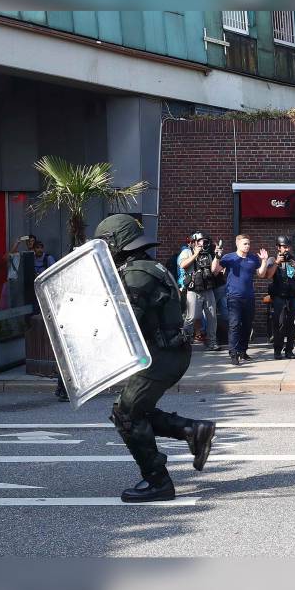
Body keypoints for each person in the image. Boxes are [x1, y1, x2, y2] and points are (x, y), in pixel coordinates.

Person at [93, 214, 215, 502]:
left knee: (126, 415)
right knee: (132, 411)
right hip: (164, 353)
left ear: (115, 242)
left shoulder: (138, 273)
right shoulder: (145, 266)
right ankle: (192, 429)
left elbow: (126, 321)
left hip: (161, 356)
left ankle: (158, 482)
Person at [212, 234, 269, 365]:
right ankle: (233, 353)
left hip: (249, 297)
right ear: (237, 244)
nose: (247, 246)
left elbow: (261, 274)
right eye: (245, 244)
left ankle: (243, 351)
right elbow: (214, 270)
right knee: (235, 324)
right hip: (234, 297)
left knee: (247, 325)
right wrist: (216, 257)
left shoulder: (253, 258)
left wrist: (264, 261)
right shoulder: (229, 258)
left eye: (248, 243)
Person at [178, 231, 221, 351]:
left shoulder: (207, 254)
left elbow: (214, 271)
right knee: (191, 316)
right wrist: (195, 254)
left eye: (205, 242)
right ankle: (184, 341)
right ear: (193, 242)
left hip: (208, 288)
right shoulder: (186, 252)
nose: (204, 244)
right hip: (193, 289)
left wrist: (217, 257)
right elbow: (182, 265)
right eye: (202, 242)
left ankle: (212, 342)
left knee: (212, 316)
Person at [265, 235, 295, 360]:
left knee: (293, 323)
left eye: (288, 247)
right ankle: (277, 350)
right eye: (284, 247)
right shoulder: (272, 259)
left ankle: (289, 350)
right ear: (278, 247)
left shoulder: (292, 259)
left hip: (292, 295)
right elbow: (268, 275)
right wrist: (277, 263)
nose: (286, 249)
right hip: (279, 296)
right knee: (279, 324)